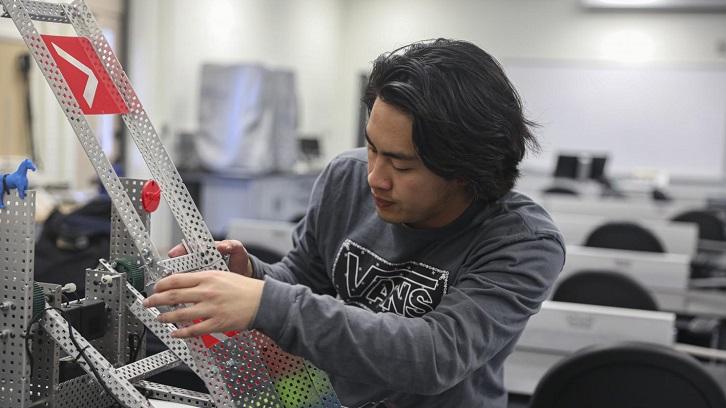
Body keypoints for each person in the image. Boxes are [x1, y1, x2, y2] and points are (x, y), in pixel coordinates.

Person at [143, 38, 565, 407]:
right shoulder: (346, 177)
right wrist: (253, 274)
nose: (375, 178)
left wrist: (265, 302)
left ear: (462, 171)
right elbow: (305, 276)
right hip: (318, 398)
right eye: (372, 147)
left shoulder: (523, 242)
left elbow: (436, 355)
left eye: (401, 165)